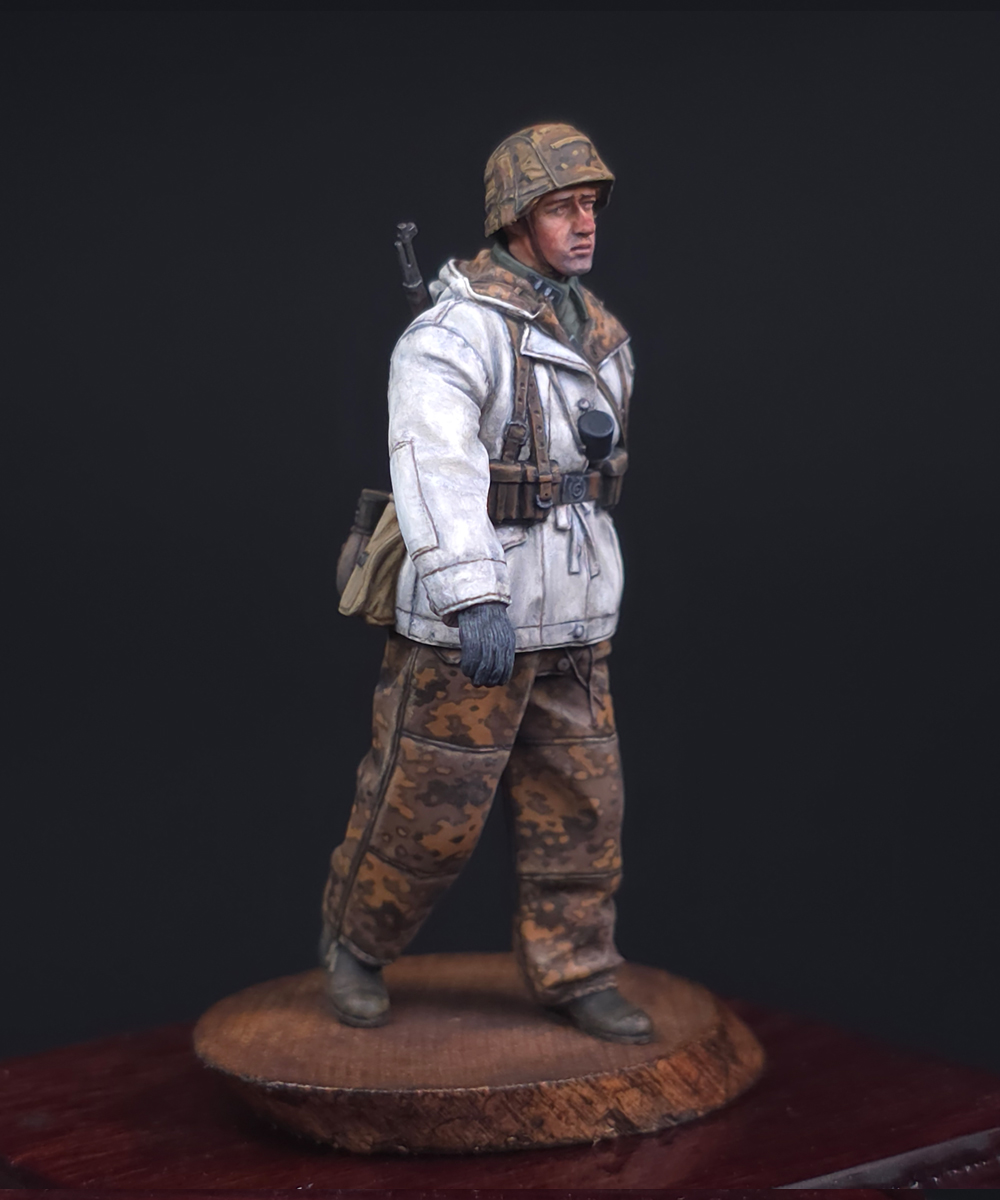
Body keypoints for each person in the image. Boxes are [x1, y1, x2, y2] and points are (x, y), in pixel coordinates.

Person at [320, 123, 652, 1044]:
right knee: (425, 813)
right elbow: (436, 467)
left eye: (590, 205)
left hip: (574, 619)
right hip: (472, 628)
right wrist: (474, 596)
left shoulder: (600, 331)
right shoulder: (452, 334)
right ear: (514, 217)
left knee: (583, 812)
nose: (584, 223)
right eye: (562, 206)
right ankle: (356, 946)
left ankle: (578, 969)